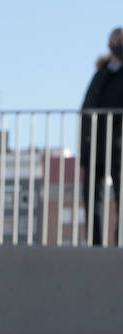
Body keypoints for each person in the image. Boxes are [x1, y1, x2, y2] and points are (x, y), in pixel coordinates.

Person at [81, 27, 123, 245]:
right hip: (96, 147)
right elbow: (86, 110)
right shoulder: (100, 74)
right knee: (90, 197)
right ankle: (94, 242)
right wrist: (83, 151)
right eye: (116, 40)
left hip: (119, 147)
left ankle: (119, 242)